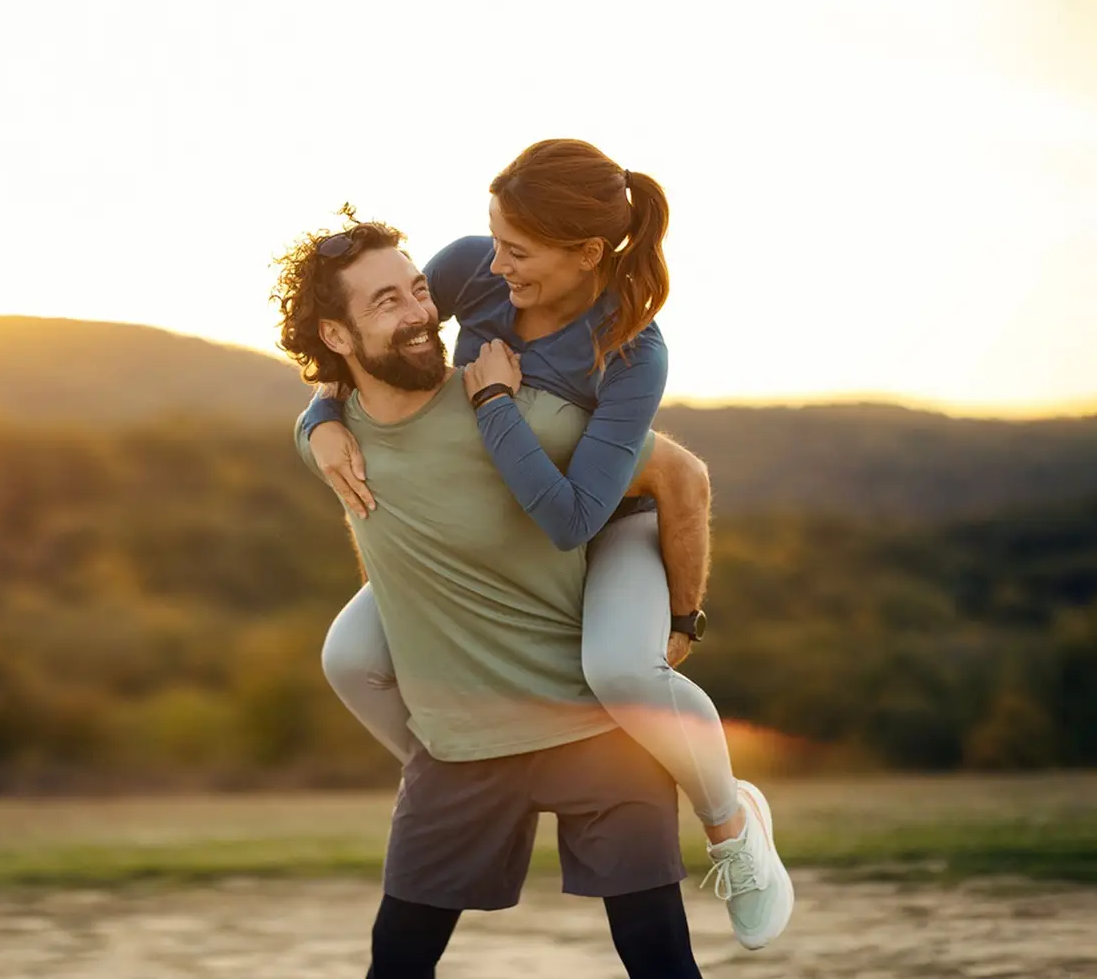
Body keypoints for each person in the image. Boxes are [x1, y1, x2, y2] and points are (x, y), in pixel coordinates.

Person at [297, 140, 792, 948]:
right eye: (494, 240)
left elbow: (575, 518)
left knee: (621, 669)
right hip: (493, 536)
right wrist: (318, 420)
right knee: (351, 657)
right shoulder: (474, 270)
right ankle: (466, 767)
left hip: (603, 530)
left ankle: (733, 823)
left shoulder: (632, 348)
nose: (494, 265)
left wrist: (493, 403)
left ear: (586, 253)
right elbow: (374, 351)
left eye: (517, 250)